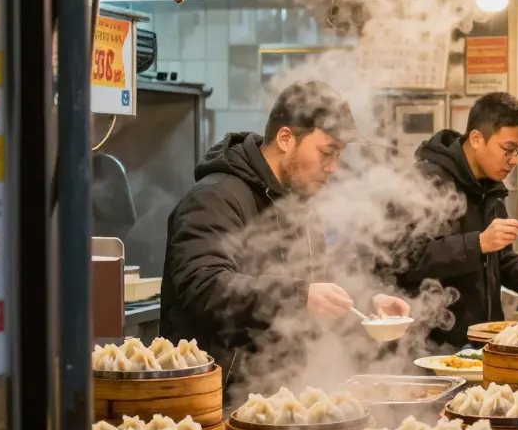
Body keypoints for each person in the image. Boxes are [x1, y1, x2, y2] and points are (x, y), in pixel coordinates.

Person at [161, 81, 410, 387]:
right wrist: (298, 296)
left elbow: (318, 282)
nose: (333, 168)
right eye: (326, 153)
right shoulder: (215, 197)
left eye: (339, 156)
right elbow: (203, 286)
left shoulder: (297, 204)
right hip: (219, 396)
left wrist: (368, 303)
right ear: (285, 139)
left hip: (283, 391)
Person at [395, 93, 518, 348]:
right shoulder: (426, 182)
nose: (515, 160)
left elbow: (500, 259)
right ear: (476, 139)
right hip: (433, 343)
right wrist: (479, 243)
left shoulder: (490, 187)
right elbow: (408, 259)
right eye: (508, 149)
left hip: (483, 340)